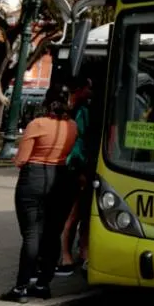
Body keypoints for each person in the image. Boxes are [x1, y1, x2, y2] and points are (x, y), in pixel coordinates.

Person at [1, 89, 77, 303]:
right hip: (61, 178)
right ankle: (43, 284)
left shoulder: (37, 124)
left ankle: (20, 288)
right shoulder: (72, 126)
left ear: (46, 102)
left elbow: (21, 160)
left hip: (34, 176)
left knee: (32, 233)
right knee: (53, 233)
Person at [58, 79, 94, 276]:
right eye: (88, 86)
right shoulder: (78, 112)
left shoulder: (78, 109)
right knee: (73, 214)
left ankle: (81, 252)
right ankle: (66, 255)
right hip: (76, 167)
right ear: (79, 89)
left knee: (82, 213)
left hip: (78, 166)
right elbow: (78, 142)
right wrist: (79, 169)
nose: (91, 90)